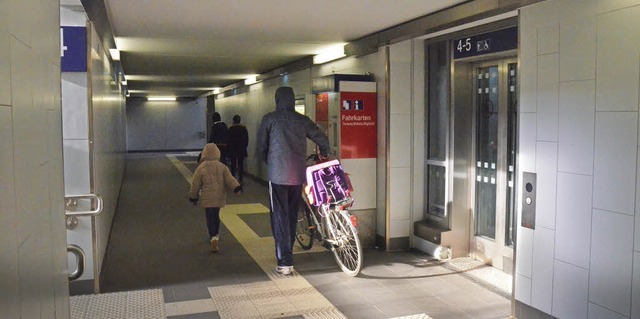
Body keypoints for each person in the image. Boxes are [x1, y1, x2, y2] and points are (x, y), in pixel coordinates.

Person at [257, 86, 329, 275]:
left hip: (277, 176)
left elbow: (261, 147)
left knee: (279, 216)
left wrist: (269, 162)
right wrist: (324, 152)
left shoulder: (269, 119)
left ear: (277, 99)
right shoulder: (302, 120)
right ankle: (287, 251)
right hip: (297, 175)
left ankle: (285, 260)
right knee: (290, 213)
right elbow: (321, 138)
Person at [189, 143, 242, 253]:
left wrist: (193, 198)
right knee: (216, 215)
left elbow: (195, 184)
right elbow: (230, 179)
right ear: (218, 153)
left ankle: (212, 235)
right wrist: (237, 188)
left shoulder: (201, 167)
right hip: (218, 197)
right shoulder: (222, 166)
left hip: (207, 197)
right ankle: (216, 234)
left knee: (209, 216)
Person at [227, 115, 249, 185]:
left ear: (233, 121)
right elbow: (246, 140)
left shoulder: (231, 129)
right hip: (241, 149)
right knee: (240, 164)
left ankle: (233, 179)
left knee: (233, 164)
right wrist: (244, 147)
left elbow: (228, 140)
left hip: (233, 149)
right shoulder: (243, 129)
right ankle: (241, 179)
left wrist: (229, 149)